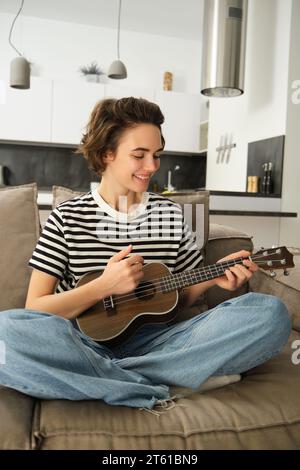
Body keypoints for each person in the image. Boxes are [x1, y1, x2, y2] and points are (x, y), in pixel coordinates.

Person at [0, 97, 291, 410]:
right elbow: (36, 309)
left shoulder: (175, 216)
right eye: (139, 155)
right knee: (4, 332)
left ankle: (114, 381)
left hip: (162, 343)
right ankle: (158, 383)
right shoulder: (66, 217)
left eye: (156, 155)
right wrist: (103, 286)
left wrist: (215, 279)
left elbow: (179, 297)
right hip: (81, 346)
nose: (152, 167)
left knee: (270, 315)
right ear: (105, 154)